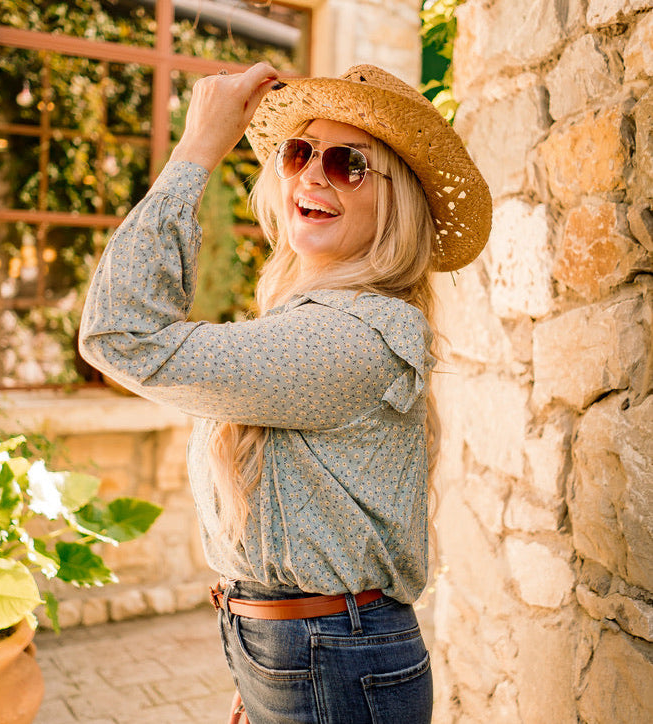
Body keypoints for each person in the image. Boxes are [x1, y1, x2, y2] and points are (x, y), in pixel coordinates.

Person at [79, 61, 491, 724]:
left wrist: (197, 147)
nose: (312, 175)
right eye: (300, 152)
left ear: (398, 204)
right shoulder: (308, 323)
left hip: (331, 655)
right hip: (303, 649)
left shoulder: (354, 336)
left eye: (349, 164)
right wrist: (264, 660)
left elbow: (122, 334)